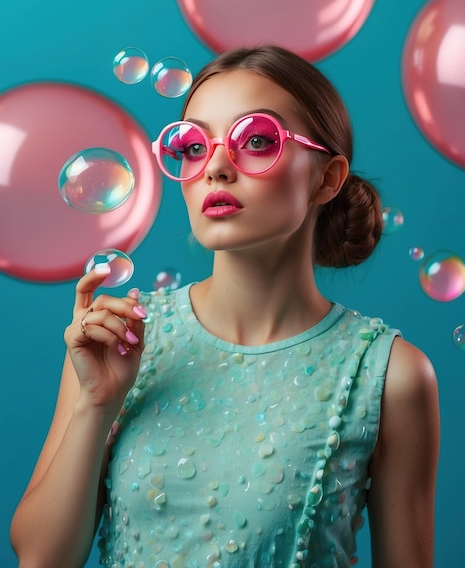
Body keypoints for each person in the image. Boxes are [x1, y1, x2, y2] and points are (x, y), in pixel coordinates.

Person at [11, 44, 440, 568]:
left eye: (256, 140)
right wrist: (96, 405)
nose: (215, 167)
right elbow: (39, 558)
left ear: (327, 178)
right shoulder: (119, 338)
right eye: (193, 147)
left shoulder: (390, 374)